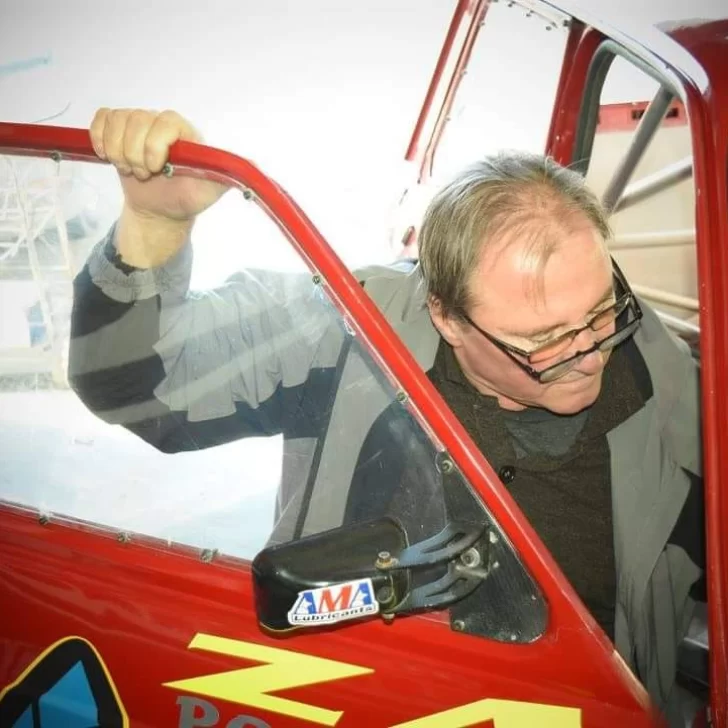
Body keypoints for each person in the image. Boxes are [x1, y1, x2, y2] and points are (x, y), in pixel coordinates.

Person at [70, 108, 703, 726]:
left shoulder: (675, 389)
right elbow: (131, 385)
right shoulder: (347, 330)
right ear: (447, 316)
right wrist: (153, 227)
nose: (588, 355)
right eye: (541, 342)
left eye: (599, 313)